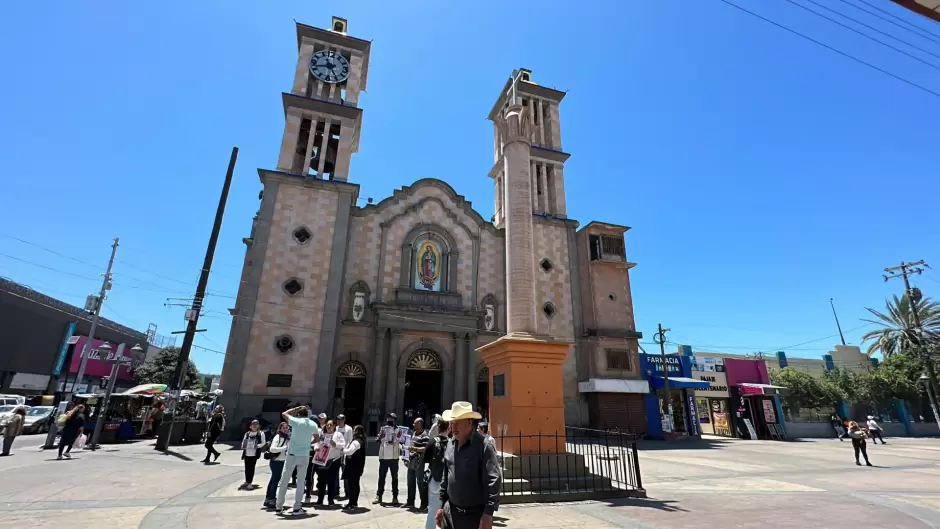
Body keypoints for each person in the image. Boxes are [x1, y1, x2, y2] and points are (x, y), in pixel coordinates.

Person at [436, 402, 501, 529]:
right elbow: (446, 477)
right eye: (452, 422)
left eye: (457, 423)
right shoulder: (450, 444)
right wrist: (441, 506)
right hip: (450, 513)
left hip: (474, 517)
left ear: (469, 423)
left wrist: (488, 513)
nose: (453, 427)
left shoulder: (483, 446)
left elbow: (494, 480)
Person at [276, 405, 319, 516]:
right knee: (301, 482)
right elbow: (317, 438)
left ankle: (279, 506)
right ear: (307, 414)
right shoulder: (313, 424)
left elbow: (284, 413)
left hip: (292, 454)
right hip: (304, 454)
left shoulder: (295, 421)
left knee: (284, 480)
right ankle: (297, 507)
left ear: (298, 414)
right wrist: (309, 443)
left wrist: (295, 408)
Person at [423, 417, 449, 529]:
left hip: (434, 479)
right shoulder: (452, 443)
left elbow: (425, 459)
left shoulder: (432, 441)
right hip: (447, 482)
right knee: (448, 511)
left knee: (432, 509)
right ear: (449, 428)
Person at [314, 420, 346, 506]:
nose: (329, 426)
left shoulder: (338, 435)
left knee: (331, 481)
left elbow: (343, 445)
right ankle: (320, 500)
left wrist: (335, 444)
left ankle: (330, 500)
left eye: (331, 425)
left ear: (334, 426)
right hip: (322, 460)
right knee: (321, 481)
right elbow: (317, 443)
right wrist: (316, 448)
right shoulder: (323, 435)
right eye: (327, 425)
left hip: (334, 460)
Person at [374, 412, 401, 505]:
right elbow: (377, 440)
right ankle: (379, 495)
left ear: (395, 420)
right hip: (384, 457)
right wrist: (380, 437)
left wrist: (396, 437)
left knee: (395, 478)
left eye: (392, 419)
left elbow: (401, 440)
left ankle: (395, 497)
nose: (390, 420)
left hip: (394, 457)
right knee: (381, 477)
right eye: (389, 419)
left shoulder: (398, 430)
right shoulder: (383, 429)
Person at [405, 417, 430, 511]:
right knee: (410, 481)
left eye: (415, 423)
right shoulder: (413, 433)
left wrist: (414, 449)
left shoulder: (425, 435)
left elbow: (425, 449)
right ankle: (410, 502)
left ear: (420, 423)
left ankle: (423, 504)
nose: (413, 425)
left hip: (419, 461)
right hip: (411, 460)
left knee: (420, 482)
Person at [263, 422, 290, 509]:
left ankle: (268, 498)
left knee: (273, 479)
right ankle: (272, 499)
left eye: (287, 428)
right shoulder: (278, 437)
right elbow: (272, 449)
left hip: (282, 461)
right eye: (284, 428)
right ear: (280, 429)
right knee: (275, 480)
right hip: (276, 462)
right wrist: (285, 448)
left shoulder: (287, 437)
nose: (285, 429)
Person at [342, 425, 366, 511]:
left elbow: (349, 452)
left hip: (354, 467)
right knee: (354, 484)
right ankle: (353, 502)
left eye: (354, 430)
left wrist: (343, 449)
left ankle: (352, 503)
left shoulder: (357, 442)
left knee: (352, 486)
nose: (352, 432)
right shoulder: (360, 441)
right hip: (357, 467)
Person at [240, 419, 266, 489]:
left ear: (258, 426)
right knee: (247, 468)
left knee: (251, 468)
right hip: (247, 453)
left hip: (254, 454)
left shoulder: (260, 433)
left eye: (256, 425)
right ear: (250, 426)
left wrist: (257, 446)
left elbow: (263, 443)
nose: (254, 426)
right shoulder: (247, 434)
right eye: (253, 425)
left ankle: (250, 482)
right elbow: (243, 442)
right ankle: (247, 480)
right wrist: (243, 446)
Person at [336, 414, 353, 497]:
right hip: (336, 453)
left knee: (345, 473)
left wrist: (346, 451)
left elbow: (350, 441)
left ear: (344, 420)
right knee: (335, 473)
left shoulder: (348, 429)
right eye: (338, 419)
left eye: (341, 419)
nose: (339, 421)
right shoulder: (335, 428)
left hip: (345, 453)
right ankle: (336, 491)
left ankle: (347, 491)